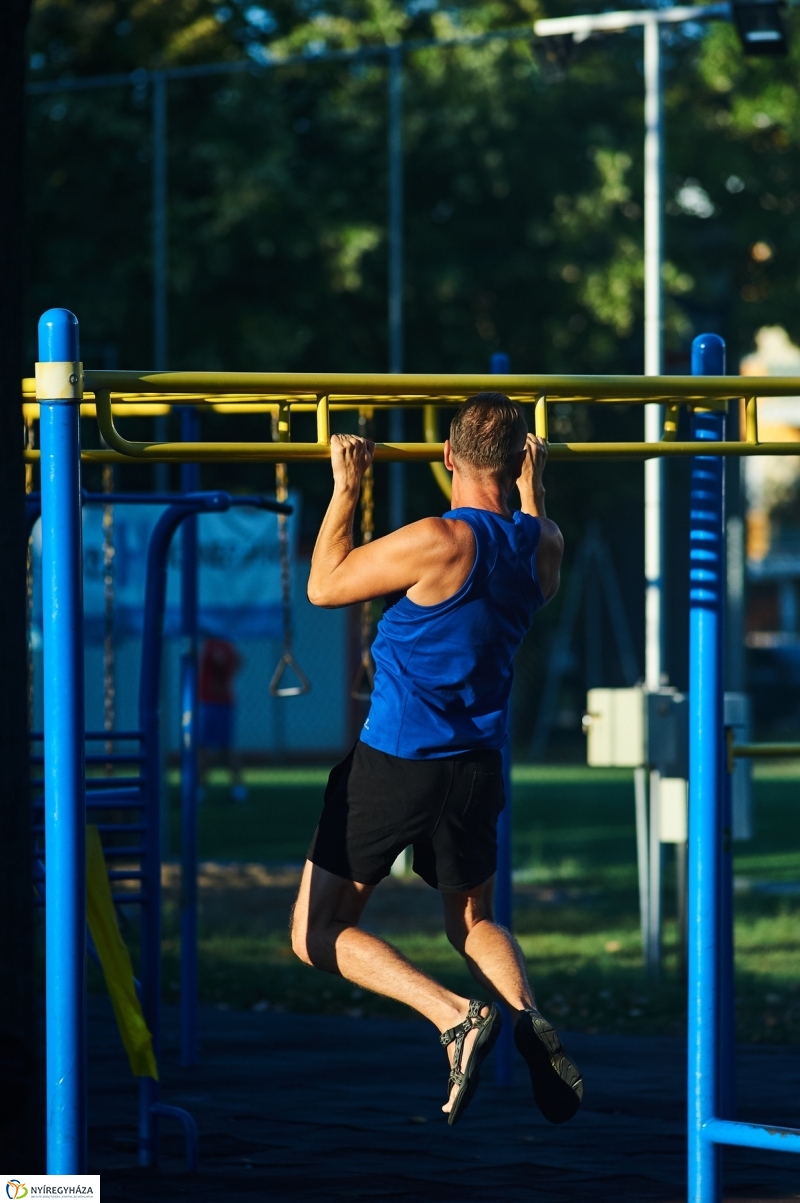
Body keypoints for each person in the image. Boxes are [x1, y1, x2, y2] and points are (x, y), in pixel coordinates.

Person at [291, 392, 582, 1127]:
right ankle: (525, 1014)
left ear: (447, 456)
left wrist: (348, 486)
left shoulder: (439, 539)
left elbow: (324, 585)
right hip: (476, 769)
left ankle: (452, 1013)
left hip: (395, 764)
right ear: (521, 459)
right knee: (473, 917)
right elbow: (541, 557)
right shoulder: (540, 542)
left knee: (315, 931)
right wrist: (533, 487)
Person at [198, 636, 246, 801]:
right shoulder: (215, 644)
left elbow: (231, 661)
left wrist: (222, 676)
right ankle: (201, 788)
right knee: (206, 748)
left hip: (218, 703)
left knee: (219, 748)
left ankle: (237, 789)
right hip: (212, 702)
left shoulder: (218, 645)